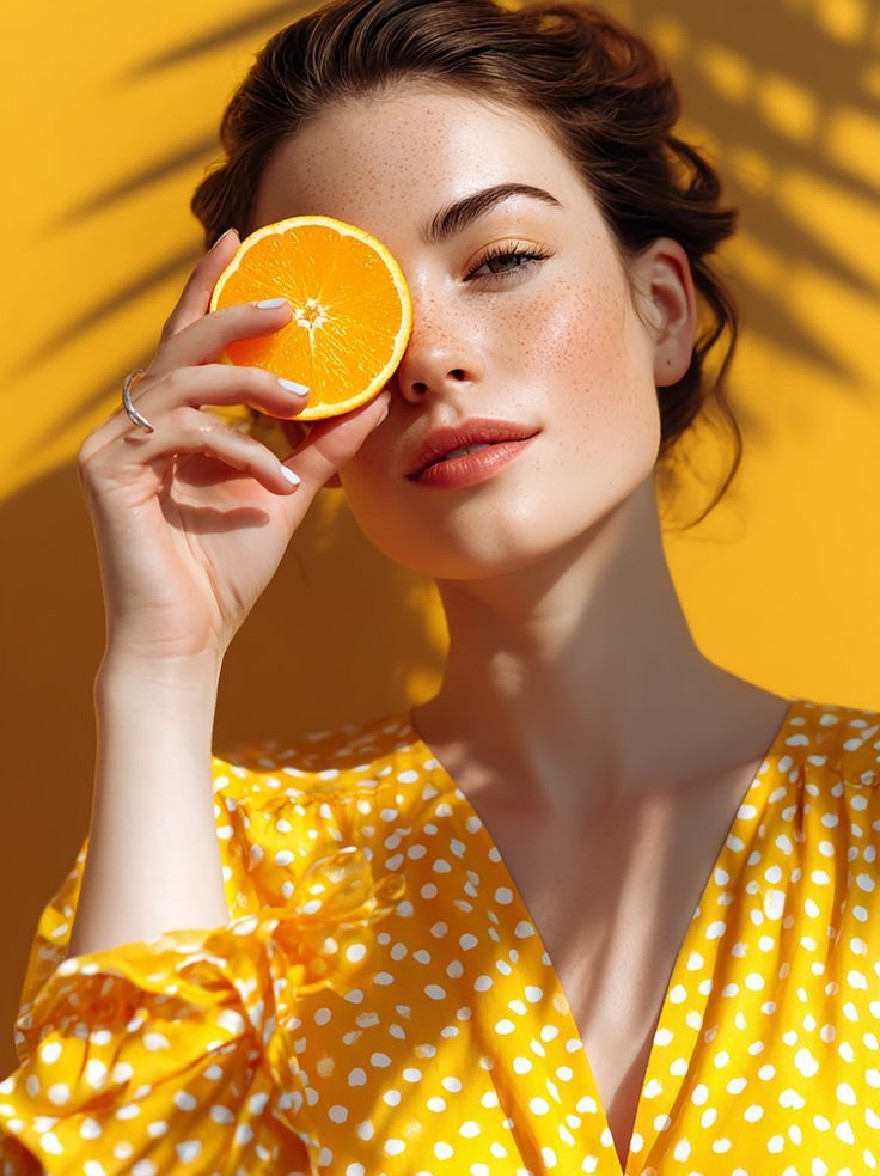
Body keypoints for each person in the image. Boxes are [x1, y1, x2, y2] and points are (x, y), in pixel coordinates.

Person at [2, 0, 878, 1171]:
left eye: (500, 262)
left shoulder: (860, 821)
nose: (428, 357)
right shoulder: (235, 859)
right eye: (357, 319)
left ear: (661, 311)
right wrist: (164, 666)